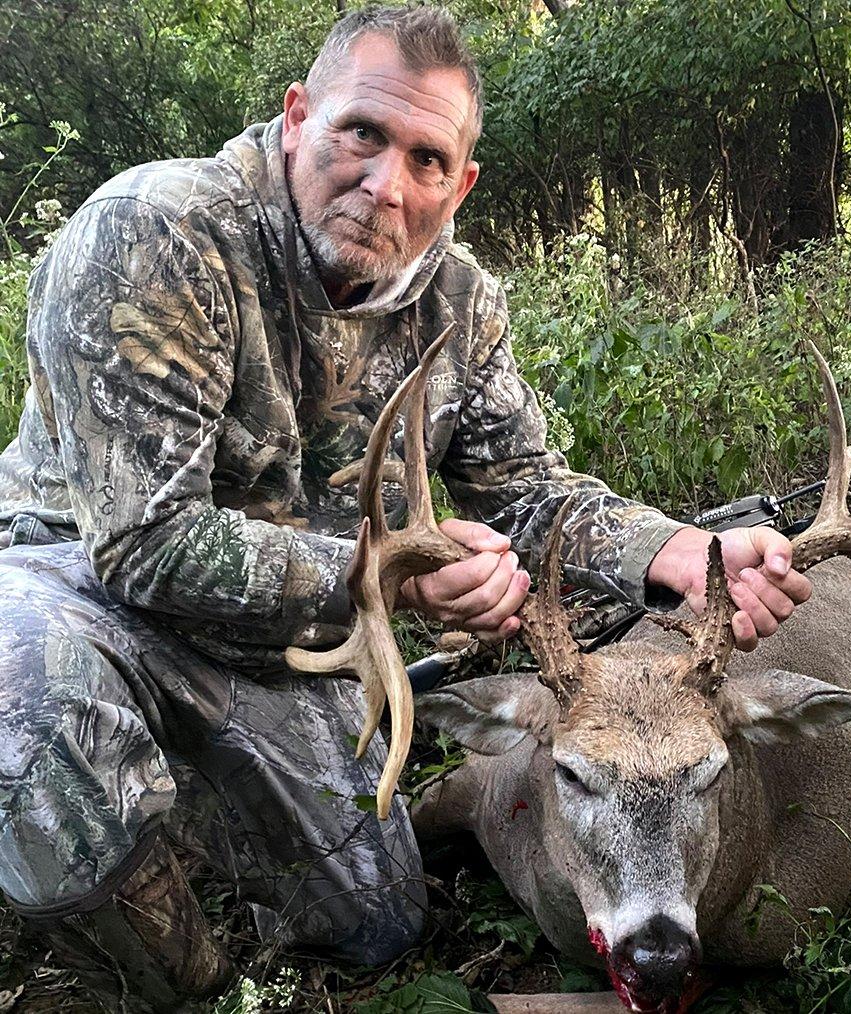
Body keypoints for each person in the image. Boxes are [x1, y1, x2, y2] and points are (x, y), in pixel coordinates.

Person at [0, 5, 810, 1010]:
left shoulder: (458, 301)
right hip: (82, 599)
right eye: (361, 134)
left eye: (428, 158)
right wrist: (394, 578)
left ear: (460, 183)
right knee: (24, 694)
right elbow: (143, 546)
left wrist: (679, 549)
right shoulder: (159, 233)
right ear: (298, 116)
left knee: (378, 923)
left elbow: (530, 495)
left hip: (296, 643)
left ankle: (165, 803)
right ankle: (159, 972)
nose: (386, 185)